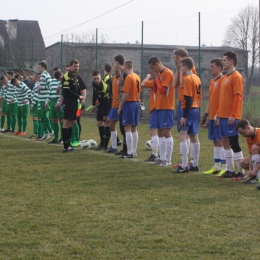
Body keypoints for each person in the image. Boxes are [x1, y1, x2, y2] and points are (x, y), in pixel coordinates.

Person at [215, 51, 244, 179]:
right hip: (222, 116)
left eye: (225, 60)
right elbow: (222, 98)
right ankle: (230, 170)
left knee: (234, 142)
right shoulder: (225, 78)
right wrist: (217, 113)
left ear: (231, 62)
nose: (223, 62)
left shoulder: (236, 77)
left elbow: (238, 97)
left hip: (231, 117)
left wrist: (233, 115)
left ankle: (241, 171)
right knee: (225, 142)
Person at [173, 57, 202, 173]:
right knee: (193, 135)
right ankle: (195, 164)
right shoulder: (197, 78)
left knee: (182, 135)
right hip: (196, 109)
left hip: (189, 110)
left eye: (181, 67)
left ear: (185, 67)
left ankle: (184, 165)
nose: (180, 69)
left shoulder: (188, 79)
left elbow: (188, 98)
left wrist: (184, 116)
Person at [201, 58, 227, 175]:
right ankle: (216, 166)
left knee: (221, 141)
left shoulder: (223, 80)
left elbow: (224, 101)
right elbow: (211, 100)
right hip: (212, 116)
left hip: (219, 116)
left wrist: (218, 114)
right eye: (210, 66)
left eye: (212, 66)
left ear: (219, 68)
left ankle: (224, 167)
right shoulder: (212, 82)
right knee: (215, 141)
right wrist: (206, 114)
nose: (210, 68)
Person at [148, 57, 174, 166]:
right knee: (160, 133)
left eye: (153, 67)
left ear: (158, 64)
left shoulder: (168, 73)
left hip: (167, 107)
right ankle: (162, 158)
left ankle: (168, 159)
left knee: (167, 132)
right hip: (159, 107)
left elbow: (163, 90)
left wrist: (156, 79)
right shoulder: (159, 74)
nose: (152, 70)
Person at [117, 60, 141, 158]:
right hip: (136, 103)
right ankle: (134, 151)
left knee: (127, 128)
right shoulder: (137, 77)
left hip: (129, 104)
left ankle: (130, 152)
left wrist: (120, 106)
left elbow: (125, 94)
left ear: (125, 68)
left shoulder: (129, 77)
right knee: (134, 128)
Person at [61, 59, 85, 152]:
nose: (76, 68)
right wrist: (79, 96)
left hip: (74, 102)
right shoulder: (67, 76)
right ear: (70, 66)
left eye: (78, 66)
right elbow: (67, 91)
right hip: (69, 102)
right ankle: (65, 146)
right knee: (66, 123)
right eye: (75, 66)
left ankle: (69, 145)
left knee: (72, 123)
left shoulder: (75, 77)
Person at [235, 119, 260, 184]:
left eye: (243, 133)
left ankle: (257, 177)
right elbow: (250, 154)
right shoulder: (248, 137)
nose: (243, 135)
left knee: (254, 147)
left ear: (248, 128)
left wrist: (255, 170)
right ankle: (255, 177)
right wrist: (250, 169)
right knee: (242, 163)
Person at [141, 73, 159, 162]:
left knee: (153, 131)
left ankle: (155, 154)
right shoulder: (160, 80)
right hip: (159, 108)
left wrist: (148, 76)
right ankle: (160, 155)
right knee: (160, 133)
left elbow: (143, 84)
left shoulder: (155, 81)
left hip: (155, 108)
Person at [91, 70, 110, 150]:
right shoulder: (94, 84)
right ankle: (102, 143)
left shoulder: (104, 87)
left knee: (107, 124)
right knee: (99, 123)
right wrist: (93, 105)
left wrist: (106, 114)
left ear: (100, 77)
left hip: (107, 105)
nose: (96, 80)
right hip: (100, 105)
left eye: (97, 78)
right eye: (94, 79)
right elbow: (95, 94)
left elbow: (107, 101)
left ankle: (105, 145)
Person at [106, 63, 122, 153]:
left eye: (116, 67)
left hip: (120, 106)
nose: (114, 69)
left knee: (124, 128)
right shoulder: (113, 79)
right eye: (114, 67)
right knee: (111, 125)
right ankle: (114, 146)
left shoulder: (122, 79)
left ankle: (129, 149)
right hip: (114, 105)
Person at [114, 54, 127, 156]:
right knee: (123, 128)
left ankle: (128, 150)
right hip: (125, 103)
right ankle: (125, 149)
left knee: (125, 128)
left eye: (115, 63)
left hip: (126, 103)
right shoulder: (123, 73)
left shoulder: (124, 73)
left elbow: (125, 91)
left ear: (117, 62)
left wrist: (121, 105)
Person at [37, 62, 53, 141]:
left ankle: (50, 131)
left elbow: (50, 85)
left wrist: (42, 87)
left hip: (45, 98)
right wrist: (39, 89)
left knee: (44, 115)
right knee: (42, 116)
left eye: (39, 67)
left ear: (43, 67)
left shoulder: (46, 75)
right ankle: (46, 132)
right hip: (41, 98)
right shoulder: (42, 75)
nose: (38, 68)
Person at [48, 71, 64, 144]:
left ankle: (62, 138)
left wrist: (58, 102)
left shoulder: (62, 82)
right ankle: (56, 137)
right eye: (61, 76)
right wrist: (47, 101)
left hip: (58, 102)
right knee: (54, 120)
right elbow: (49, 92)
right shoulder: (51, 82)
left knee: (61, 121)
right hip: (52, 102)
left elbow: (62, 93)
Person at [29, 73, 41, 139]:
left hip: (36, 103)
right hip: (36, 103)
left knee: (36, 118)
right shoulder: (36, 84)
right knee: (36, 118)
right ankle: (37, 133)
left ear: (36, 77)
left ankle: (37, 133)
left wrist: (32, 104)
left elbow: (36, 96)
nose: (33, 77)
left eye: (33, 76)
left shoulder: (38, 84)